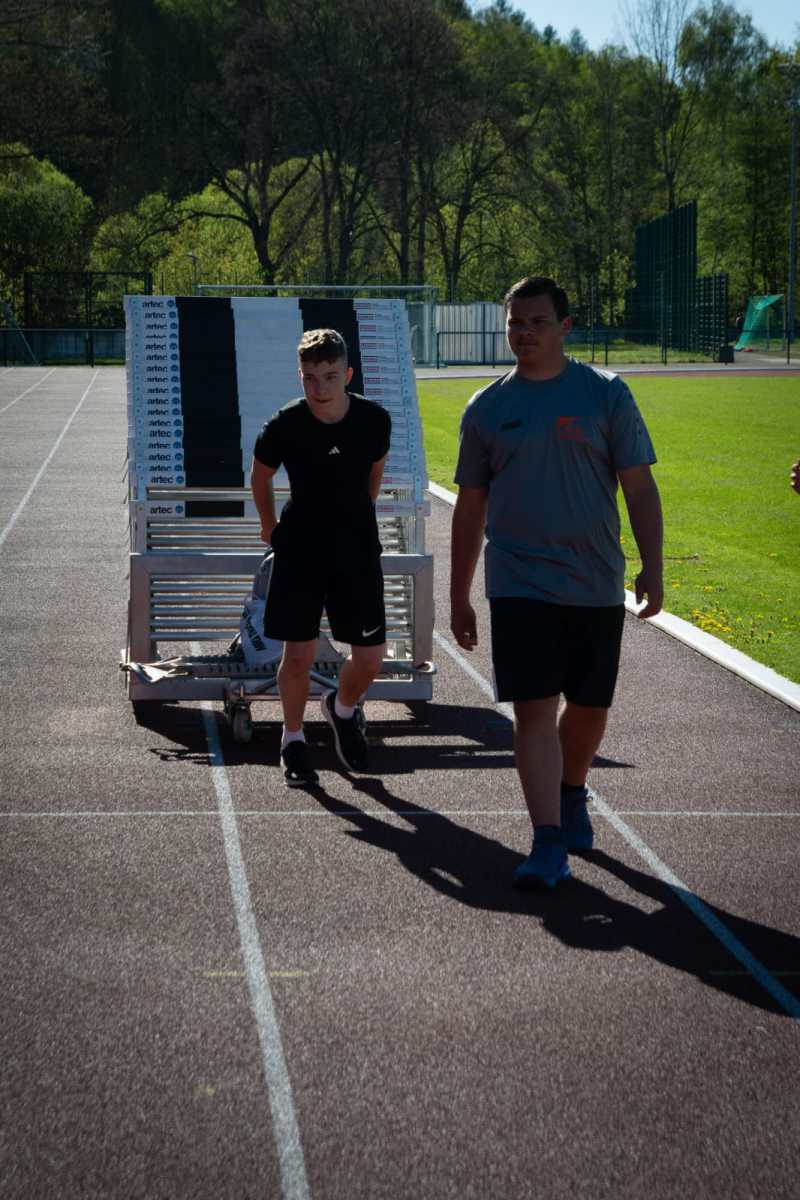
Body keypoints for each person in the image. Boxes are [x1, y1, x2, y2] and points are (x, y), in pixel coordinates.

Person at [450, 276, 664, 889]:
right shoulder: (486, 408)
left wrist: (653, 565)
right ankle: (547, 841)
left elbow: (639, 487)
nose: (524, 333)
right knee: (534, 708)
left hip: (595, 580)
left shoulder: (606, 394)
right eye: (515, 323)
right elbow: (470, 507)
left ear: (566, 327)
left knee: (590, 708)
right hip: (518, 580)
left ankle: (572, 790)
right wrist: (459, 593)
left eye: (537, 322)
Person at [251, 328, 391, 787]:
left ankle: (342, 708)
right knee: (298, 655)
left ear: (347, 375)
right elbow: (260, 476)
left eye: (330, 376)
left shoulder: (374, 420)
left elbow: (374, 473)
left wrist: (358, 514)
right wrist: (269, 526)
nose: (320, 387)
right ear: (300, 377)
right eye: (310, 377)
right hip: (301, 551)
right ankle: (292, 739)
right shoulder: (284, 424)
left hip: (356, 550)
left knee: (370, 658)